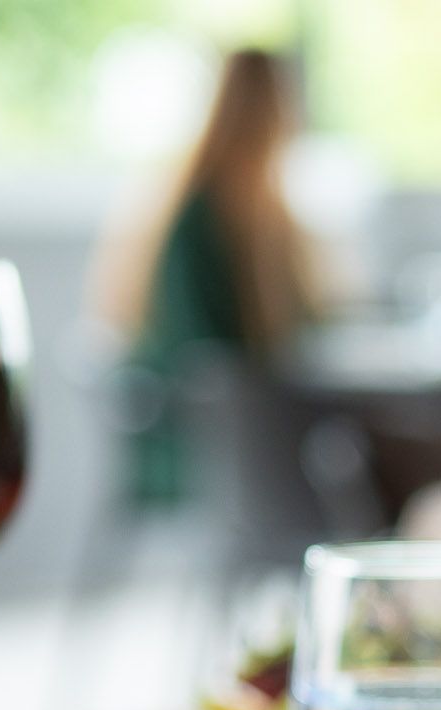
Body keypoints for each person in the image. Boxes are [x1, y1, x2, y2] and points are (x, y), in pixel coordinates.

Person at [100, 48, 316, 504]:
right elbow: (203, 356)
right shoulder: (201, 220)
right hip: (205, 440)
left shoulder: (260, 217)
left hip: (239, 427)